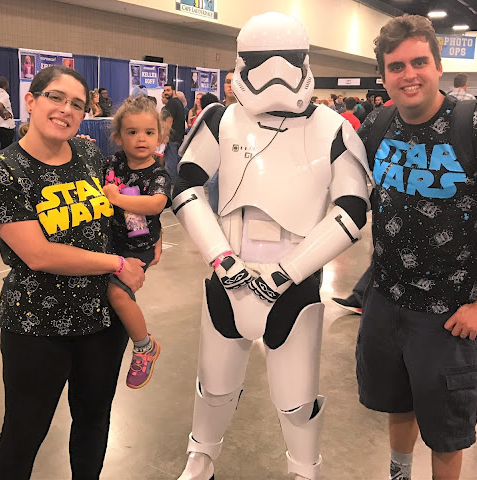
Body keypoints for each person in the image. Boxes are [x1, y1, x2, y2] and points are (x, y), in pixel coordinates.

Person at [173, 12, 370, 480]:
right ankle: (200, 459)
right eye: (263, 60)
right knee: (214, 385)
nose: (275, 72)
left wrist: (288, 271)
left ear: (305, 62)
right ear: (242, 64)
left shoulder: (334, 128)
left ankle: (304, 468)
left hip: (293, 284)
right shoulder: (220, 120)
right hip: (229, 273)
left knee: (296, 398)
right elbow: (185, 188)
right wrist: (221, 258)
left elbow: (352, 211)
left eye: (287, 60)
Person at [355, 15, 477, 480]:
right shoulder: (376, 125)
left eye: (420, 62)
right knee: (398, 403)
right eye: (396, 67)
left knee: (446, 431)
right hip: (386, 300)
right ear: (384, 76)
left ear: (438, 67)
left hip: (448, 314)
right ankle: (399, 473)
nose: (409, 74)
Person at [0, 65, 146, 480]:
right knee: (22, 434)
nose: (66, 109)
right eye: (55, 97)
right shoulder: (0, 171)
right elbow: (38, 254)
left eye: (77, 104)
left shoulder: (88, 155)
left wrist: (143, 235)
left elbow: (118, 201)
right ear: (30, 102)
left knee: (93, 422)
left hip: (102, 319)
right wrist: (117, 263)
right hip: (36, 325)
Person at [103, 96, 172, 388]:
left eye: (148, 132)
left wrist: (117, 198)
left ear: (159, 137)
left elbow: (156, 204)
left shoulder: (158, 172)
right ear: (118, 137)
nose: (141, 139)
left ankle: (144, 346)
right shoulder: (113, 163)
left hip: (138, 245)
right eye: (132, 132)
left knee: (117, 293)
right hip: (109, 242)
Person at [162, 83, 185, 183]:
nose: (166, 93)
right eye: (164, 91)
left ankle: (172, 184)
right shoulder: (179, 102)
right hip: (178, 138)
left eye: (168, 90)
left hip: (172, 138)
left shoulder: (171, 103)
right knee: (175, 161)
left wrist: (165, 136)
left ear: (173, 91)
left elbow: (169, 120)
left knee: (171, 163)